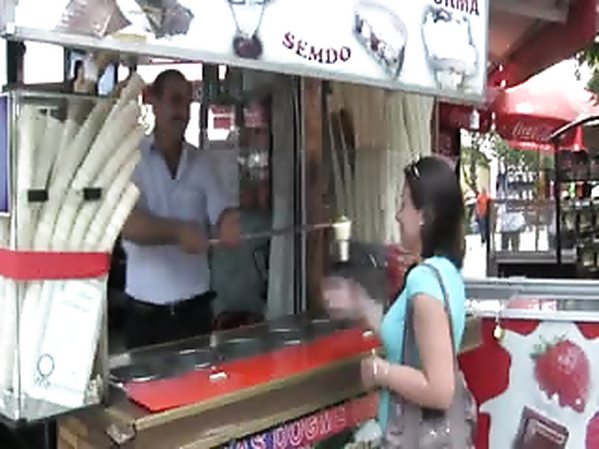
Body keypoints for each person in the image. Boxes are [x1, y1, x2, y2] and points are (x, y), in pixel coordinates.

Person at [322, 157, 467, 435]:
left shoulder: (423, 281)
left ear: (424, 216)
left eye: (403, 205)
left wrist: (380, 371)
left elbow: (439, 391)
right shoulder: (446, 272)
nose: (398, 216)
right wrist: (361, 303)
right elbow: (410, 339)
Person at [121, 69, 240, 349]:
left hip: (194, 314)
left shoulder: (203, 162)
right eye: (175, 101)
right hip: (145, 316)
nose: (183, 112)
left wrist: (229, 222)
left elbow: (222, 210)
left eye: (187, 103)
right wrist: (178, 232)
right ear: (154, 103)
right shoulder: (131, 159)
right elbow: (128, 224)